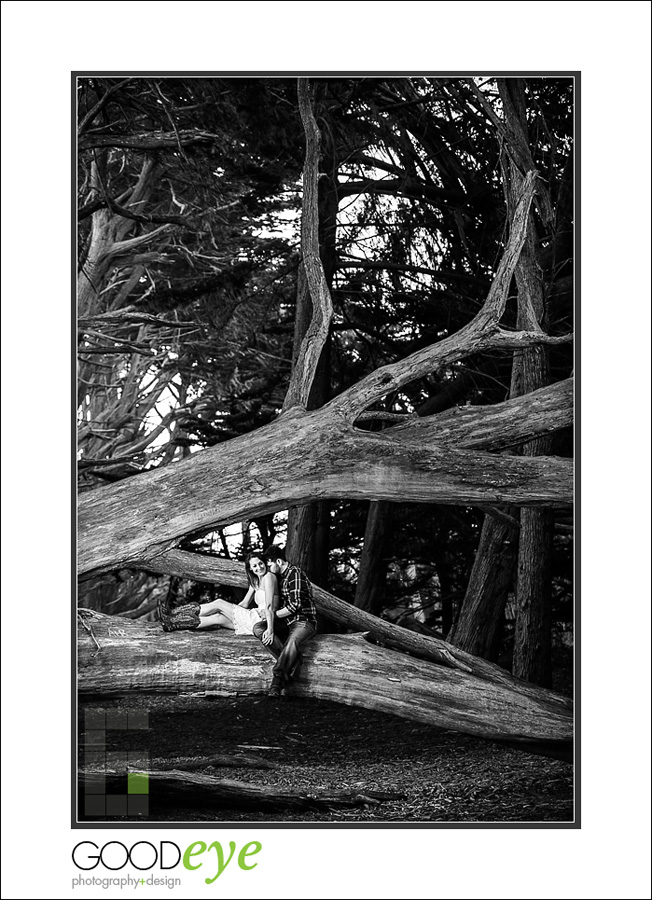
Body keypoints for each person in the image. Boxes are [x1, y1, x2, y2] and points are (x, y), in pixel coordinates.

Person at [157, 553, 278, 636]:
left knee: (219, 603)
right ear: (250, 569)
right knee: (217, 618)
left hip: (261, 620)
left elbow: (269, 607)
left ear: (264, 563)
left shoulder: (269, 577)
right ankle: (172, 623)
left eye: (260, 563)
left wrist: (270, 630)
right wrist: (231, 610)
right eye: (255, 566)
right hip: (253, 617)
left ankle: (172, 613)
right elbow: (245, 603)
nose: (259, 567)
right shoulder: (256, 581)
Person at [252, 545, 318, 698]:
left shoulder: (295, 574)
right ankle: (293, 662)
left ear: (279, 562)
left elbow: (295, 605)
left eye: (269, 564)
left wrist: (272, 614)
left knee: (292, 641)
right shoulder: (279, 577)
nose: (267, 568)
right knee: (258, 629)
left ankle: (277, 682)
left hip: (304, 621)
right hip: (287, 622)